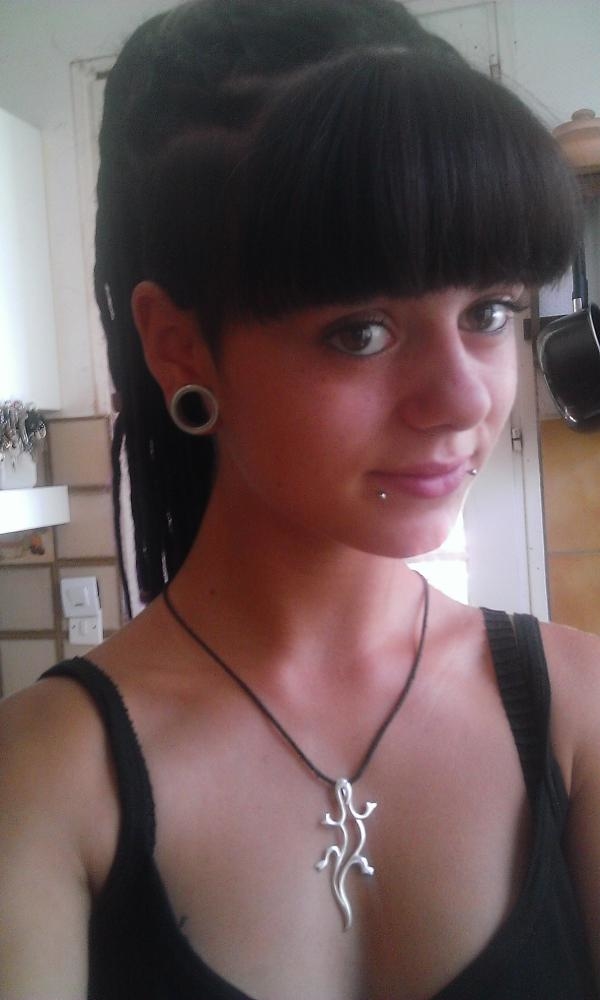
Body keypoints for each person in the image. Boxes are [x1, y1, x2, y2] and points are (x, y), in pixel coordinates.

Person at [1, 1, 599, 998]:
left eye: (490, 311)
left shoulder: (580, 710)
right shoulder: (47, 777)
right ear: (180, 347)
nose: (464, 401)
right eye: (360, 331)